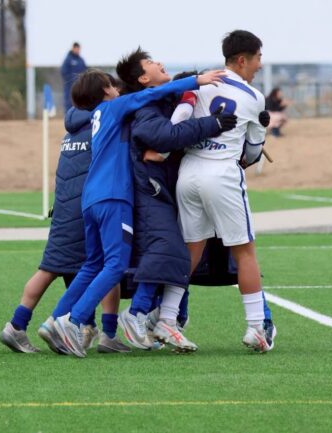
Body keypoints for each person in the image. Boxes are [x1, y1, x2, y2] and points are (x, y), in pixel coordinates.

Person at [46, 67, 226, 358]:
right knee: (116, 265)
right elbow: (152, 93)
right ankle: (73, 321)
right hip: (113, 197)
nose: (118, 89)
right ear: (106, 91)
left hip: (91, 198)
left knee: (93, 264)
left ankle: (55, 319)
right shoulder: (115, 107)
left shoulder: (97, 116)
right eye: (113, 85)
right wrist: (195, 81)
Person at [115, 50, 237, 352]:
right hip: (150, 190)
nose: (159, 63)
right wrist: (212, 124)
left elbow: (172, 139)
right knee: (168, 249)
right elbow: (164, 136)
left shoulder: (164, 102)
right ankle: (136, 313)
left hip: (166, 189)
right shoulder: (145, 106)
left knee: (179, 255)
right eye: (150, 63)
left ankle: (168, 318)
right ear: (144, 79)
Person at [0, 76, 130, 355]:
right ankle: (104, 333)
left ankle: (23, 324)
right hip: (90, 204)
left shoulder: (71, 128)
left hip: (63, 207)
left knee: (54, 267)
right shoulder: (103, 123)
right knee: (105, 265)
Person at [176, 30, 275, 352]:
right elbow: (252, 152)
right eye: (258, 58)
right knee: (244, 251)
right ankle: (257, 327)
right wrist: (256, 137)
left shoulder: (200, 82)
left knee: (191, 251)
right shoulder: (253, 96)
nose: (260, 65)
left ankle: (165, 318)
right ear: (242, 59)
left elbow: (180, 122)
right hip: (222, 174)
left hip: (188, 172)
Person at [61, 42, 87, 113]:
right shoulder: (68, 59)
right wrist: (72, 79)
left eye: (79, 49)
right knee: (69, 103)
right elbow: (64, 72)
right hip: (70, 87)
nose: (78, 50)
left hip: (80, 87)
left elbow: (85, 71)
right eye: (76, 49)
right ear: (73, 48)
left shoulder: (81, 60)